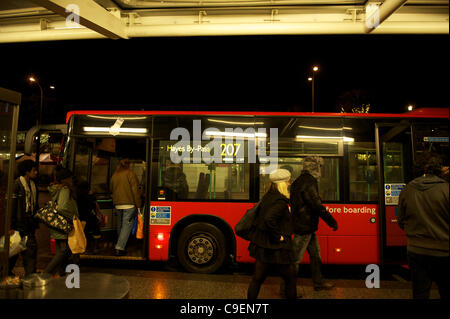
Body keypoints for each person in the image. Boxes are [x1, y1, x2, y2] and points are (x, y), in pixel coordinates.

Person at [397, 152, 449, 300]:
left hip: (416, 250)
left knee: (420, 293)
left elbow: (401, 220)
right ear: (440, 168)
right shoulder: (447, 189)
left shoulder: (407, 190)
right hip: (444, 251)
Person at [287, 156, 338, 293]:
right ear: (315, 168)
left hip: (306, 226)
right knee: (294, 260)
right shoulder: (309, 181)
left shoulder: (298, 181)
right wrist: (331, 221)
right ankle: (288, 290)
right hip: (304, 227)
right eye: (320, 167)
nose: (321, 170)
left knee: (316, 255)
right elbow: (316, 204)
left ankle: (319, 282)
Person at [247, 168, 297, 300]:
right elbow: (269, 219)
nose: (289, 184)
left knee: (257, 279)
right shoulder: (280, 201)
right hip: (278, 248)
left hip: (263, 246)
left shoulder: (267, 197)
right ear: (281, 184)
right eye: (287, 182)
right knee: (290, 279)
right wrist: (278, 236)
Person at [43, 166, 80, 277]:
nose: (72, 179)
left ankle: (61, 274)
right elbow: (62, 207)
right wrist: (73, 216)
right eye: (71, 177)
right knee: (64, 251)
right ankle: (46, 274)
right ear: (66, 178)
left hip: (58, 225)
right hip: (64, 224)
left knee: (62, 251)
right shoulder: (64, 189)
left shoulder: (57, 189)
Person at [9, 160, 39, 277]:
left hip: (29, 225)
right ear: (27, 171)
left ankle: (30, 278)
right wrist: (11, 226)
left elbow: (34, 205)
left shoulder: (33, 185)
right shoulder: (17, 184)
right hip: (18, 226)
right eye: (34, 170)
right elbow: (12, 206)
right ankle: (5, 275)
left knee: (30, 253)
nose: (36, 172)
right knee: (12, 254)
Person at [110, 158, 142, 256]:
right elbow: (135, 191)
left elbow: (111, 189)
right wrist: (139, 204)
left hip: (118, 204)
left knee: (120, 226)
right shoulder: (130, 174)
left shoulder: (114, 175)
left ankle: (121, 244)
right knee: (126, 227)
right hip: (129, 204)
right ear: (128, 165)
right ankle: (120, 247)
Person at [76, 180, 101, 254]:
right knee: (96, 230)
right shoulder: (88, 195)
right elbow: (93, 204)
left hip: (81, 217)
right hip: (90, 216)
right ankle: (95, 247)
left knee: (84, 232)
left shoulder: (77, 195)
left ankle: (85, 247)